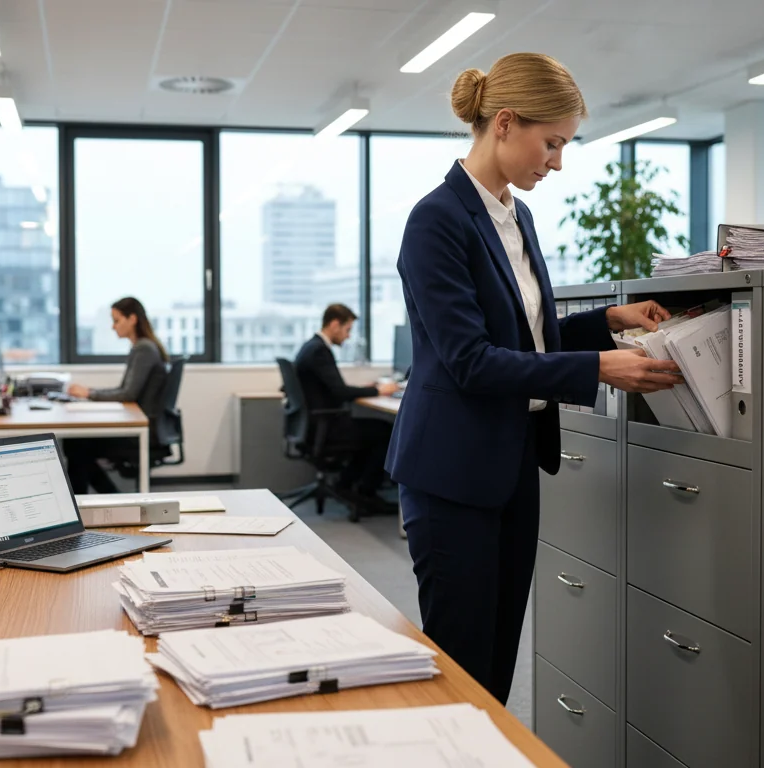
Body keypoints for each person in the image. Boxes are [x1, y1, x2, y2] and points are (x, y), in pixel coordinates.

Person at [385, 53, 685, 704]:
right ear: (505, 123)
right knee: (461, 668)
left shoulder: (515, 218)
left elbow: (530, 340)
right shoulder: (436, 220)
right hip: (453, 474)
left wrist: (607, 322)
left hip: (513, 465)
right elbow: (471, 360)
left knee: (495, 667)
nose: (556, 162)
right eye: (551, 143)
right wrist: (598, 369)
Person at [293, 304, 399, 509]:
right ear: (334, 324)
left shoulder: (312, 347)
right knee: (385, 432)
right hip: (325, 426)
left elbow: (334, 388)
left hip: (315, 425)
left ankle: (346, 485)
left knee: (375, 432)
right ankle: (366, 492)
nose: (348, 336)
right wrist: (379, 391)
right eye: (347, 329)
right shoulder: (318, 351)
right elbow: (340, 392)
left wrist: (367, 389)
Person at [63, 297, 170, 493]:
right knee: (76, 445)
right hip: (141, 423)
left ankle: (98, 500)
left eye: (116, 320)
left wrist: (89, 393)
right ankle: (105, 498)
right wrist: (91, 394)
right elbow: (124, 390)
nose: (113, 327)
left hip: (143, 431)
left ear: (132, 319)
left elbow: (127, 394)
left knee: (76, 446)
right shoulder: (142, 347)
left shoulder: (144, 349)